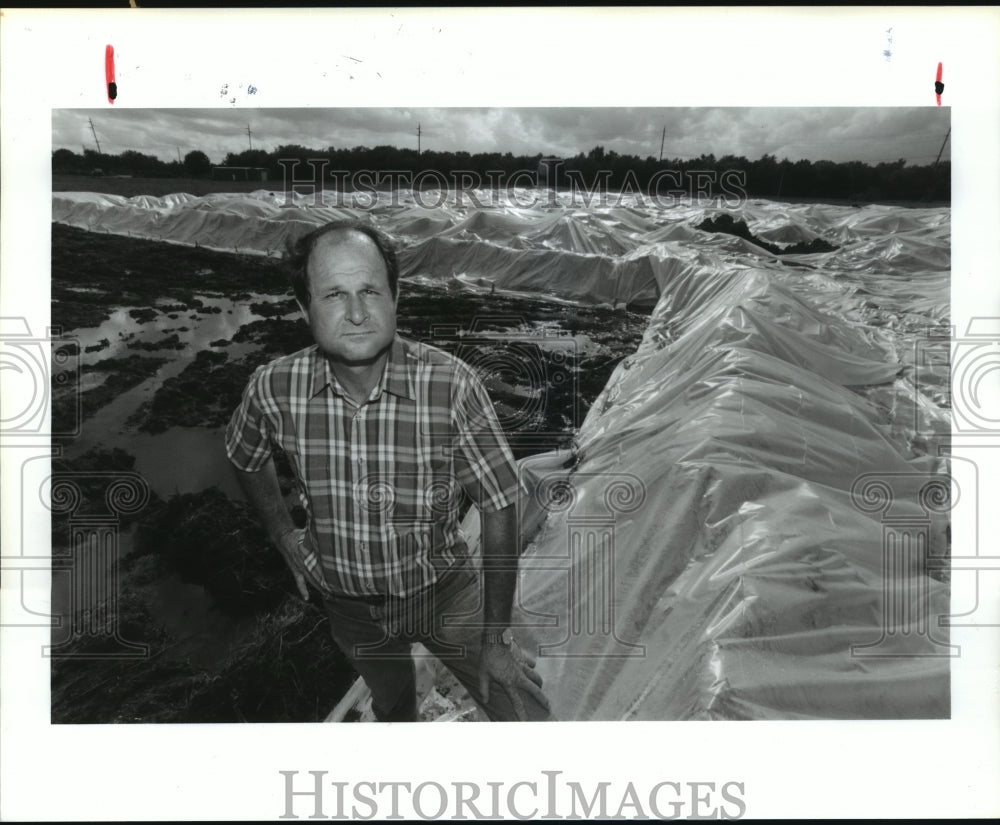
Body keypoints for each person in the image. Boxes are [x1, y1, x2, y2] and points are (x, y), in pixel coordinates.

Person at [225, 220, 551, 722]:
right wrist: (283, 536)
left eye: (370, 291)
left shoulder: (450, 386)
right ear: (303, 307)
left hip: (445, 591)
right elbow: (245, 456)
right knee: (392, 703)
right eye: (334, 294)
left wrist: (495, 639)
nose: (356, 314)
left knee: (523, 707)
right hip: (348, 607)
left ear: (396, 297)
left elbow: (500, 502)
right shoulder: (273, 389)